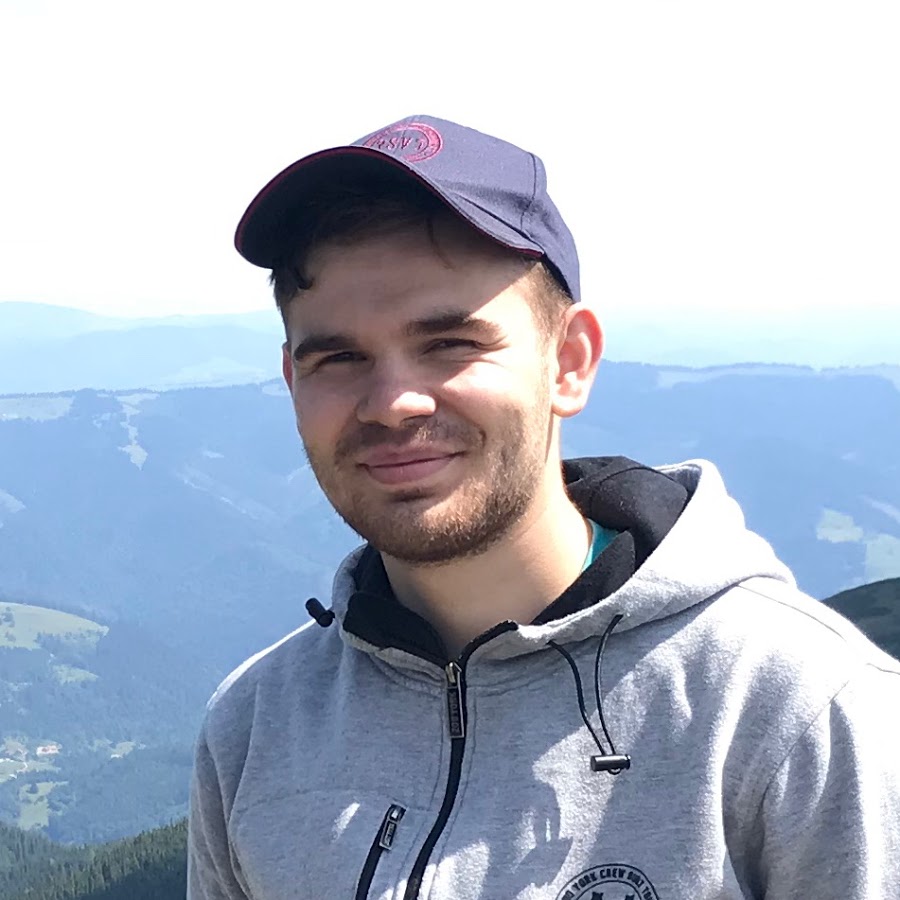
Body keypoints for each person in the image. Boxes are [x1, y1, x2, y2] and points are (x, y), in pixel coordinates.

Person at [187, 115, 900, 900]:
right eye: (339, 357)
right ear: (293, 382)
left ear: (569, 361)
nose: (391, 402)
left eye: (450, 343)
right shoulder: (254, 729)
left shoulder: (799, 711)